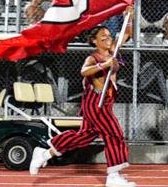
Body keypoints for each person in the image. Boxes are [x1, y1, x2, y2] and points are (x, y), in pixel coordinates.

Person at [30, 26, 137, 187]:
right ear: (94, 40)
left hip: (106, 102)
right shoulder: (93, 57)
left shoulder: (113, 50)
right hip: (95, 102)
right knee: (114, 134)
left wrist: (129, 13)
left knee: (84, 136)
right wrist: (105, 65)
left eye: (109, 35)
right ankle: (113, 176)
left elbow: (127, 33)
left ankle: (45, 153)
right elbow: (84, 71)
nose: (108, 38)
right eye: (103, 36)